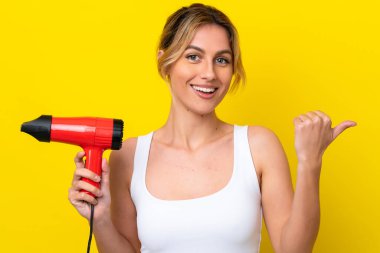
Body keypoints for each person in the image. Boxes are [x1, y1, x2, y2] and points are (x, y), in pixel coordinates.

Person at [68, 3, 356, 253]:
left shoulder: (258, 145)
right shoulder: (128, 155)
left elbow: (294, 250)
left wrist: (310, 162)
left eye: (222, 60)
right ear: (165, 62)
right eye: (193, 56)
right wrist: (101, 219)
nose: (209, 74)